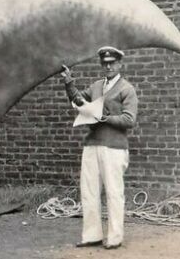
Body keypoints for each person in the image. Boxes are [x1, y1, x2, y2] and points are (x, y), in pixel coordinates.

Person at [60, 46, 138, 250]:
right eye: (105, 63)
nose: (108, 66)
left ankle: (114, 237)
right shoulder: (96, 86)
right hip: (92, 144)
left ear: (120, 64)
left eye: (112, 63)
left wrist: (105, 117)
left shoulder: (126, 89)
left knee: (113, 192)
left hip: (114, 147)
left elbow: (129, 120)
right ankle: (92, 235)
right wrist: (69, 83)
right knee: (89, 191)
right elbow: (80, 101)